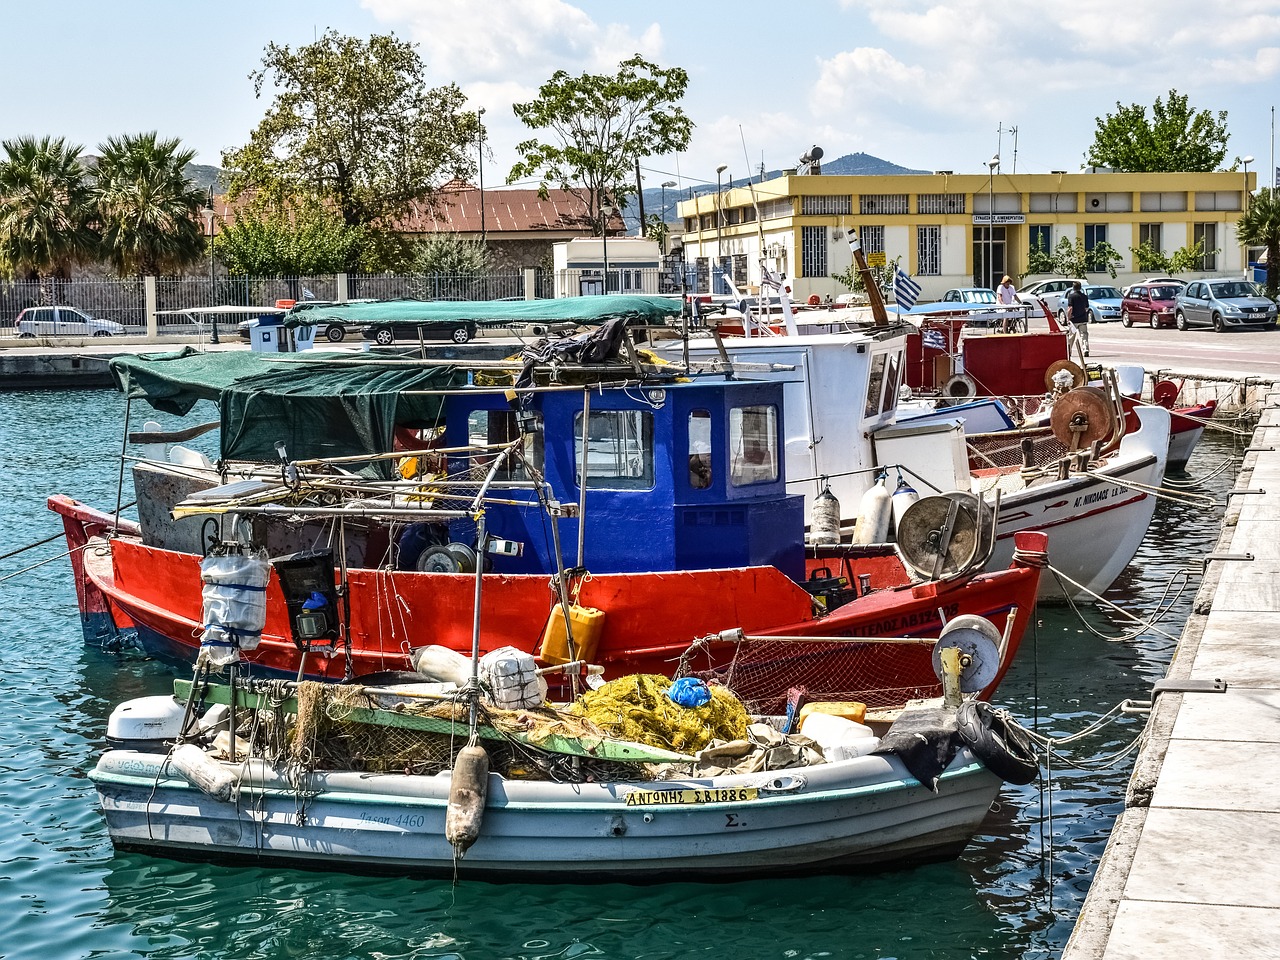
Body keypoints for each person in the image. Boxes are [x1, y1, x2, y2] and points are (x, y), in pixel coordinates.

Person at [1064, 280, 1090, 357]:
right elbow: (1086, 308)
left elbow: (1070, 308)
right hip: (1083, 319)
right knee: (1084, 335)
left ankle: (1069, 351)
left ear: (1073, 288)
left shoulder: (1071, 296)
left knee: (1071, 336)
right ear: (1080, 288)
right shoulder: (1084, 296)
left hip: (1074, 320)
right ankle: (1085, 349)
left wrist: (1068, 318)